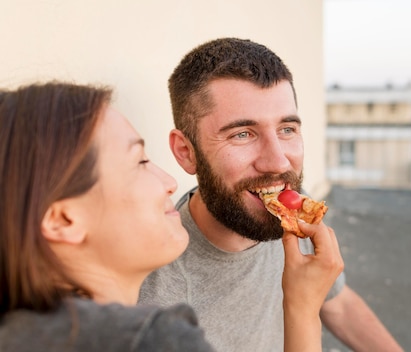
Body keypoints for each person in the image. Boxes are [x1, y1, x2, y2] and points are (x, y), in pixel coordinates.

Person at [0, 81, 344, 352]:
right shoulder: (152, 339)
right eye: (139, 162)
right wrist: (302, 311)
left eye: (287, 129)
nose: (168, 182)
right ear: (62, 221)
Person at [139, 37, 403, 351]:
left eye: (287, 129)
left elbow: (337, 303)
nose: (277, 162)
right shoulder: (152, 304)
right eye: (242, 134)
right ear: (186, 152)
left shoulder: (289, 206)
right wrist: (301, 308)